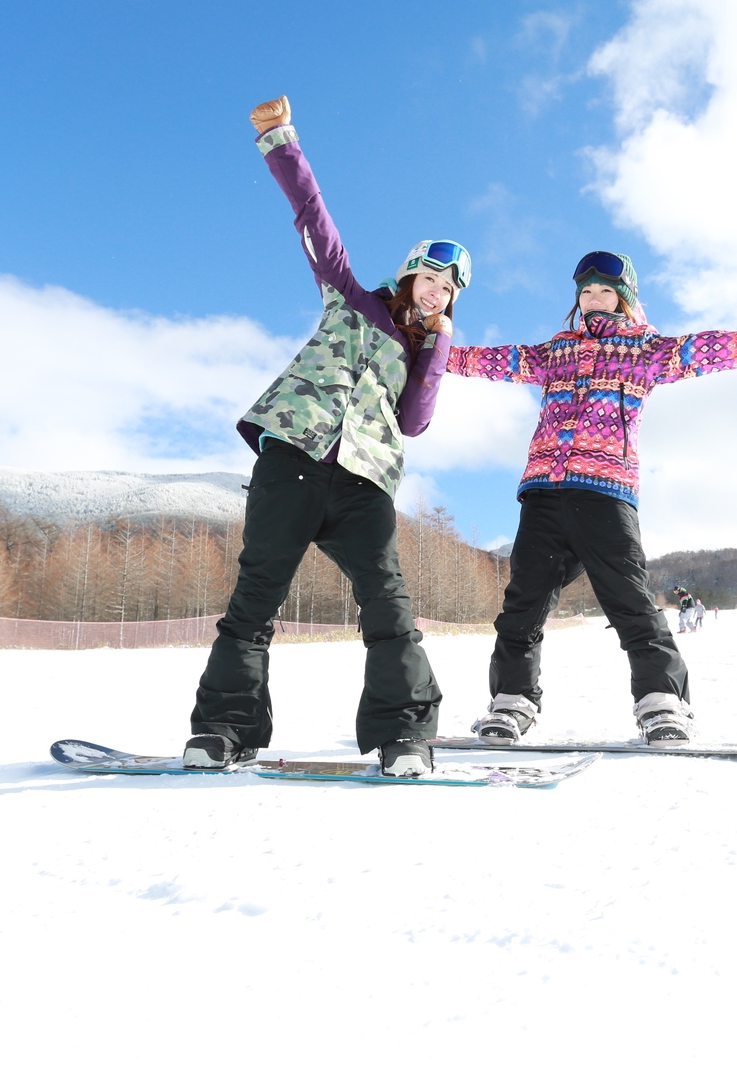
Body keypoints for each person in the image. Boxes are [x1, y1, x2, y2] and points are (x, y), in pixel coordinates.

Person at [183, 95, 472, 778]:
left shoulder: (424, 344)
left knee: (388, 601)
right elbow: (313, 217)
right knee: (255, 596)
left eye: (448, 290)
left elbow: (413, 422)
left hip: (364, 479)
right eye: (429, 278)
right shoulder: (351, 296)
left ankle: (404, 734)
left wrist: (435, 350)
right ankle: (224, 728)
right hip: (295, 457)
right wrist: (279, 139)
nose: (435, 292)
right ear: (408, 272)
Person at [449, 250, 737, 743]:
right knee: (521, 605)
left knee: (629, 601)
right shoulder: (553, 354)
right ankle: (511, 703)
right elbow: (479, 360)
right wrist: (421, 348)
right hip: (543, 494)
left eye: (604, 291)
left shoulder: (645, 351)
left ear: (624, 298)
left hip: (604, 492)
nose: (593, 299)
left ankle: (662, 704)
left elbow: (720, 347)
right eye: (586, 292)